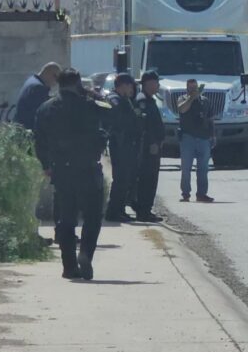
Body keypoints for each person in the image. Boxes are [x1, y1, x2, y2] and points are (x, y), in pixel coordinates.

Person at [34, 68, 109, 281]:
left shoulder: (46, 108)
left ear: (58, 84)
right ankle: (85, 253)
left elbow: (39, 140)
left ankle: (69, 267)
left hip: (61, 170)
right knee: (92, 217)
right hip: (88, 168)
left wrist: (46, 165)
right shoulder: (90, 105)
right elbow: (111, 111)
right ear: (78, 84)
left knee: (66, 219)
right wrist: (93, 94)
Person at [105, 73, 141, 222]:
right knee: (120, 179)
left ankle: (119, 210)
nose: (132, 89)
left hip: (126, 143)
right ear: (123, 85)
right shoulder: (115, 98)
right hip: (119, 143)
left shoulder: (124, 99)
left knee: (125, 179)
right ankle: (114, 211)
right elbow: (119, 117)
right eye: (130, 85)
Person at [133, 71, 165, 222]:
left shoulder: (150, 100)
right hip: (147, 148)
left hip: (153, 146)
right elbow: (143, 125)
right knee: (147, 179)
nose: (158, 85)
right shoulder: (142, 101)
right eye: (156, 82)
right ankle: (143, 211)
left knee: (152, 179)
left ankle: (146, 210)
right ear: (148, 83)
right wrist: (152, 142)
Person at [177, 79, 215, 203]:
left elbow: (210, 119)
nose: (193, 90)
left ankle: (202, 194)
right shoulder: (182, 99)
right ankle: (185, 194)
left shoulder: (205, 101)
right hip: (188, 137)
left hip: (203, 138)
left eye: (195, 88)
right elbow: (182, 109)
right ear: (187, 89)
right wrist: (191, 98)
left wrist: (213, 135)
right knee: (186, 168)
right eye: (191, 88)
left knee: (203, 169)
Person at [15, 62, 62, 130]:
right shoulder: (39, 88)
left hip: (22, 127)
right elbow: (41, 114)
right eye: (56, 78)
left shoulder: (32, 80)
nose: (56, 83)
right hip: (28, 129)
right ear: (48, 73)